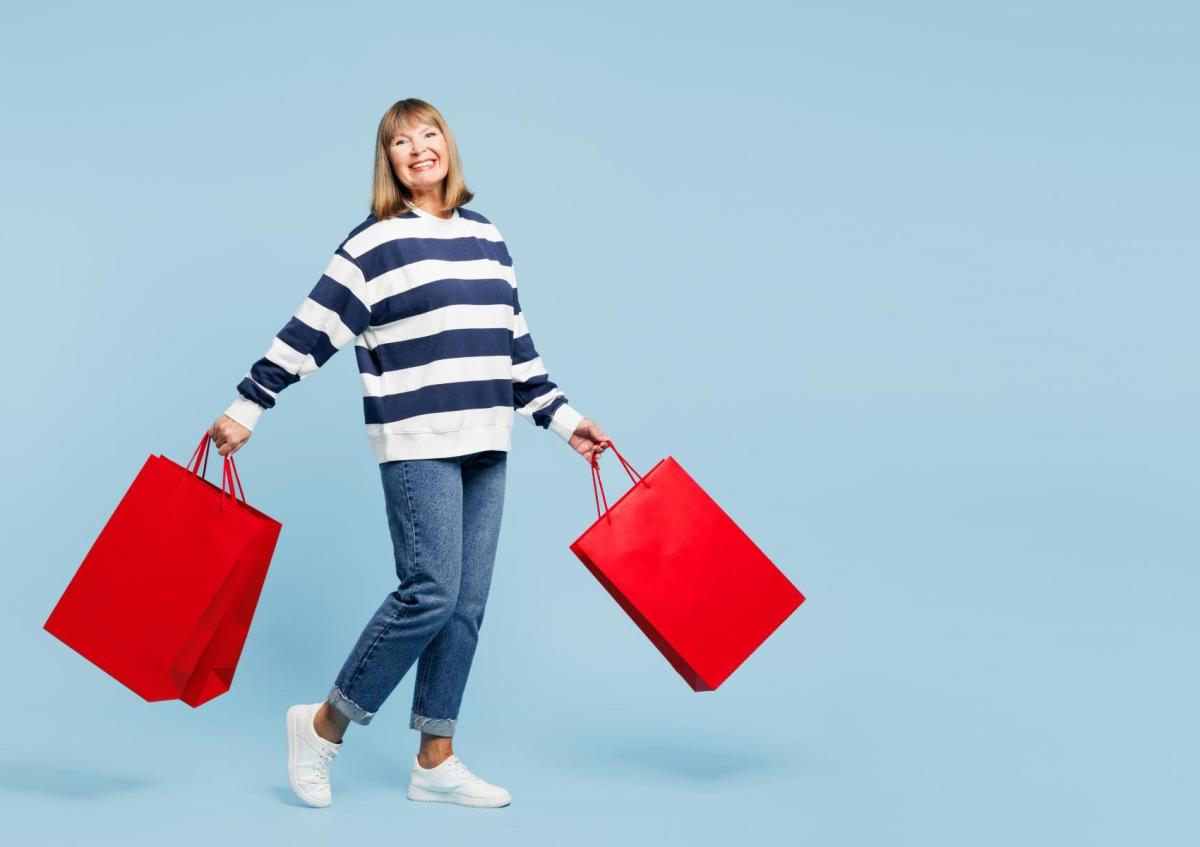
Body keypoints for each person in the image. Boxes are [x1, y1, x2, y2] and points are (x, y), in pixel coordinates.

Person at [208, 98, 609, 810]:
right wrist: (248, 404)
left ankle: (435, 758)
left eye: (430, 135)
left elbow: (514, 348)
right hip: (418, 441)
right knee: (430, 591)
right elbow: (311, 331)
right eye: (401, 140)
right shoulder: (374, 244)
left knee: (466, 606)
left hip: (488, 439)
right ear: (387, 161)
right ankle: (323, 724)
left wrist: (566, 420)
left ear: (449, 147)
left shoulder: (488, 237)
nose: (419, 148)